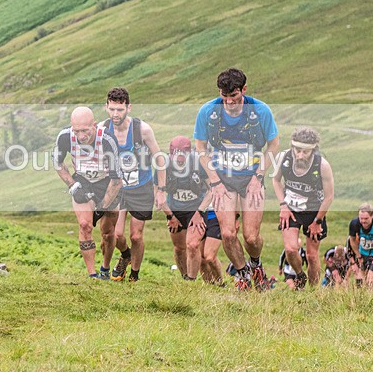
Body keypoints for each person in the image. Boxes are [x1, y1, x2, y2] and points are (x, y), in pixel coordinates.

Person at [193, 68, 280, 290]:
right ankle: (243, 274)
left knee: (251, 237)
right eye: (225, 96)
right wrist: (214, 180)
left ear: (244, 90)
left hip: (251, 177)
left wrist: (258, 176)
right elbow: (200, 147)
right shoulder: (208, 112)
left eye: (234, 96)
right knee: (228, 233)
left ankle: (256, 264)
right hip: (223, 179)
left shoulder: (260, 111)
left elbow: (274, 145)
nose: (230, 101)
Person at [101, 87, 166, 282]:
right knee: (117, 234)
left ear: (128, 108)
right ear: (106, 107)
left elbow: (160, 159)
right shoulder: (102, 129)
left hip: (141, 187)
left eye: (119, 110)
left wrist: (161, 190)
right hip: (118, 188)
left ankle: (134, 275)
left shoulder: (142, 130)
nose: (115, 114)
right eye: (112, 109)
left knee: (136, 236)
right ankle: (126, 255)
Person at [54, 107, 123, 278]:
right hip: (83, 181)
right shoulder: (65, 137)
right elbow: (57, 162)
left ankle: (105, 268)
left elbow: (117, 180)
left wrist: (102, 207)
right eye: (76, 131)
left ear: (94, 125)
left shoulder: (107, 139)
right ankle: (92, 275)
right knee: (85, 225)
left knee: (107, 232)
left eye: (85, 130)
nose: (81, 136)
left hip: (107, 183)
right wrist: (72, 185)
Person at [271, 127, 335, 288]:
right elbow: (276, 181)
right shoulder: (283, 158)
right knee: (291, 249)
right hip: (290, 210)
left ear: (313, 150)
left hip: (313, 212)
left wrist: (317, 221)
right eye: (297, 150)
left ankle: (313, 291)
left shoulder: (322, 165)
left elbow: (329, 196)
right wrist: (283, 205)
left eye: (305, 152)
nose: (300, 155)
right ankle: (300, 276)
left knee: (312, 256)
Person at [160, 136, 225, 284]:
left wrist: (200, 212)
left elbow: (212, 189)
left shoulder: (198, 163)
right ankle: (185, 279)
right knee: (179, 248)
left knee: (193, 245)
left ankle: (191, 281)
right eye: (176, 156)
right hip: (175, 211)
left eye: (183, 156)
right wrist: (170, 216)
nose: (180, 160)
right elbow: (157, 193)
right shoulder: (164, 165)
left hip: (196, 210)